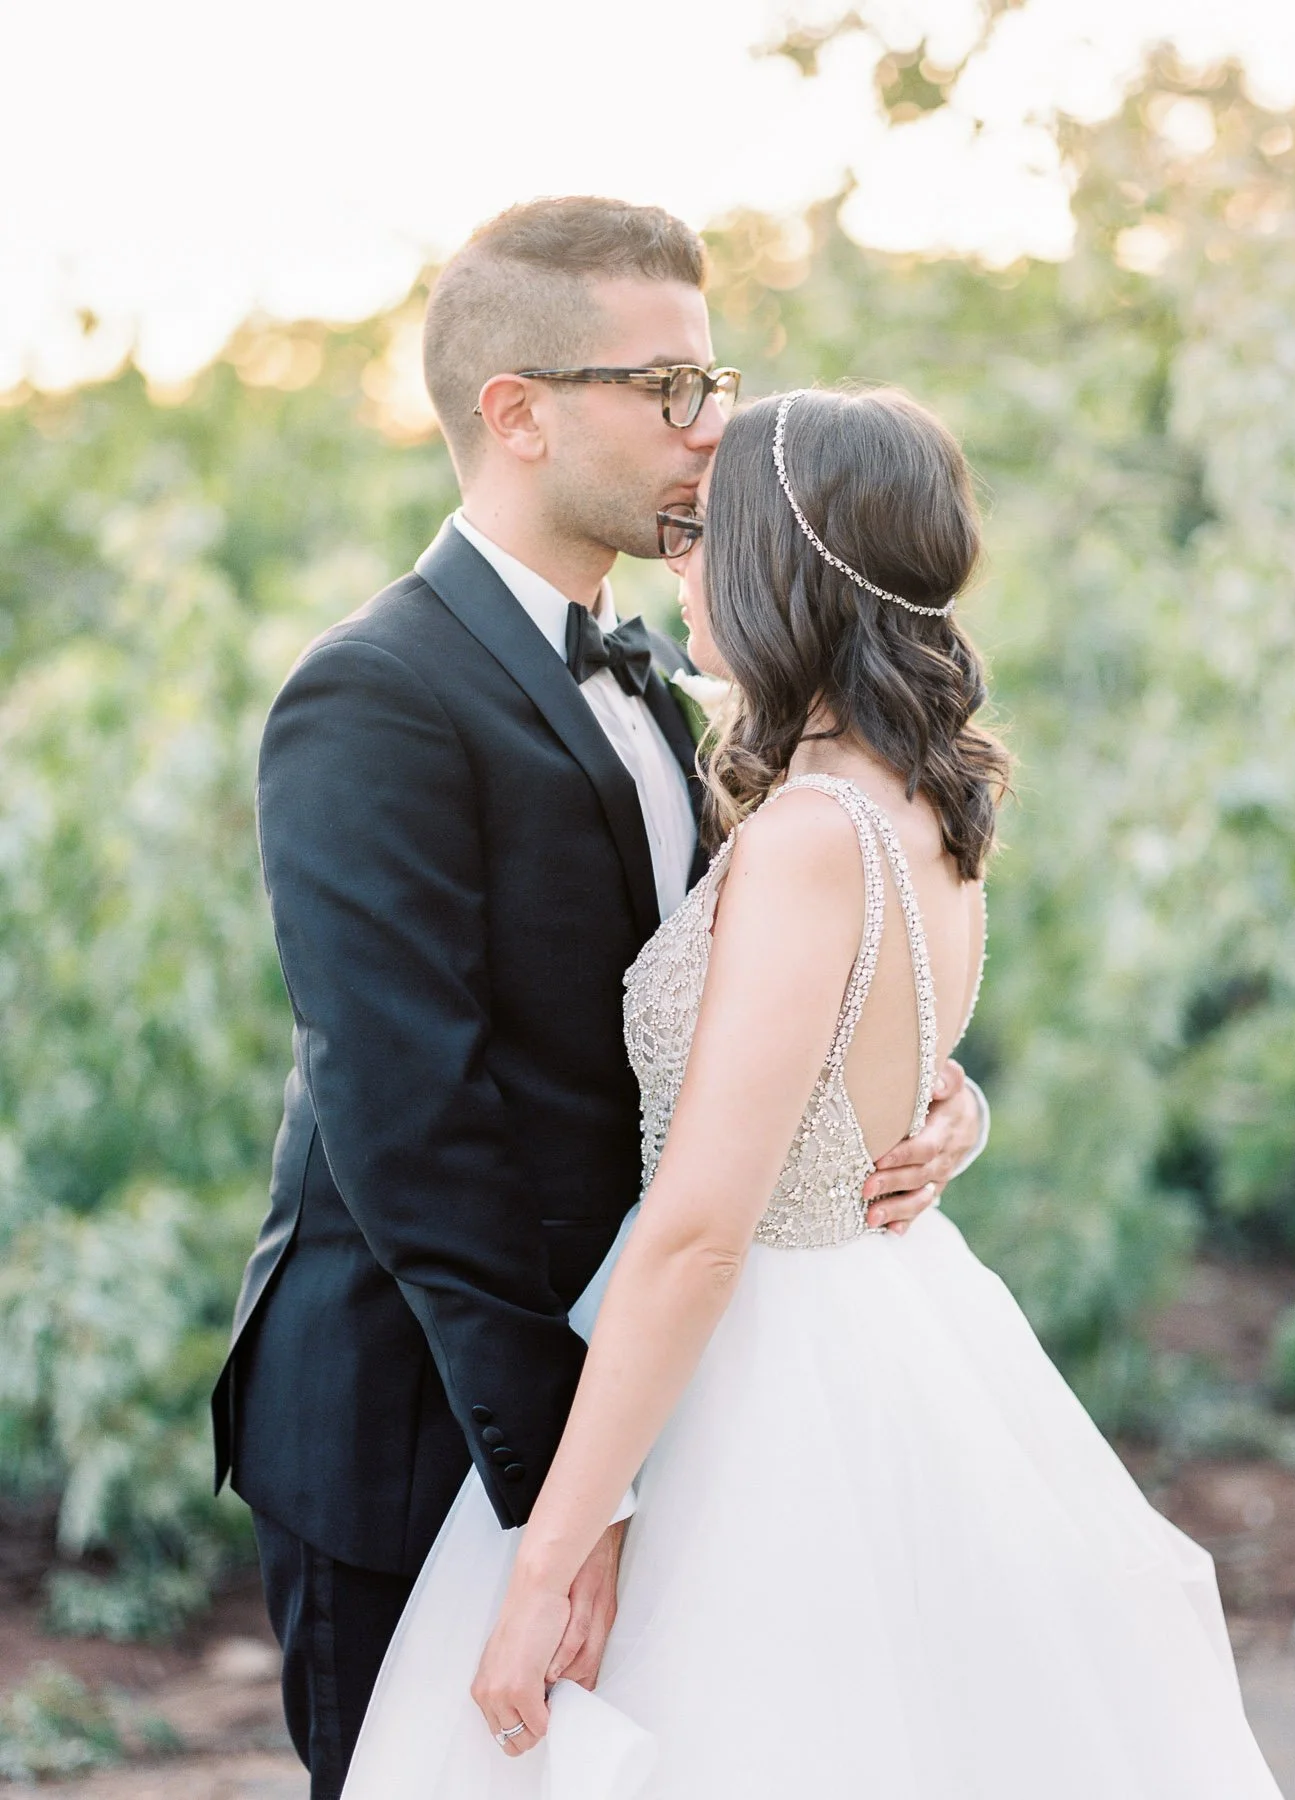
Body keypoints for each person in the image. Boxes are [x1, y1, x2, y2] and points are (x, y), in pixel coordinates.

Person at [339, 386, 1285, 1799]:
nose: (683, 565)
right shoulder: (927, 802)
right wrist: (953, 1109)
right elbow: (883, 1061)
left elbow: (703, 1226)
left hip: (751, 1366)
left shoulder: (806, 835)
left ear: (789, 560)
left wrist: (548, 1558)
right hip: (888, 1314)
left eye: (706, 534)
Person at [210, 197, 986, 1800]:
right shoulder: (372, 696)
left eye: (716, 386)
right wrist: (574, 1495)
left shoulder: (685, 682)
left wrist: (923, 1103)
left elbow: (768, 1009)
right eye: (671, 390)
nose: (714, 434)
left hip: (647, 1375)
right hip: (426, 1404)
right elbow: (411, 1125)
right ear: (519, 413)